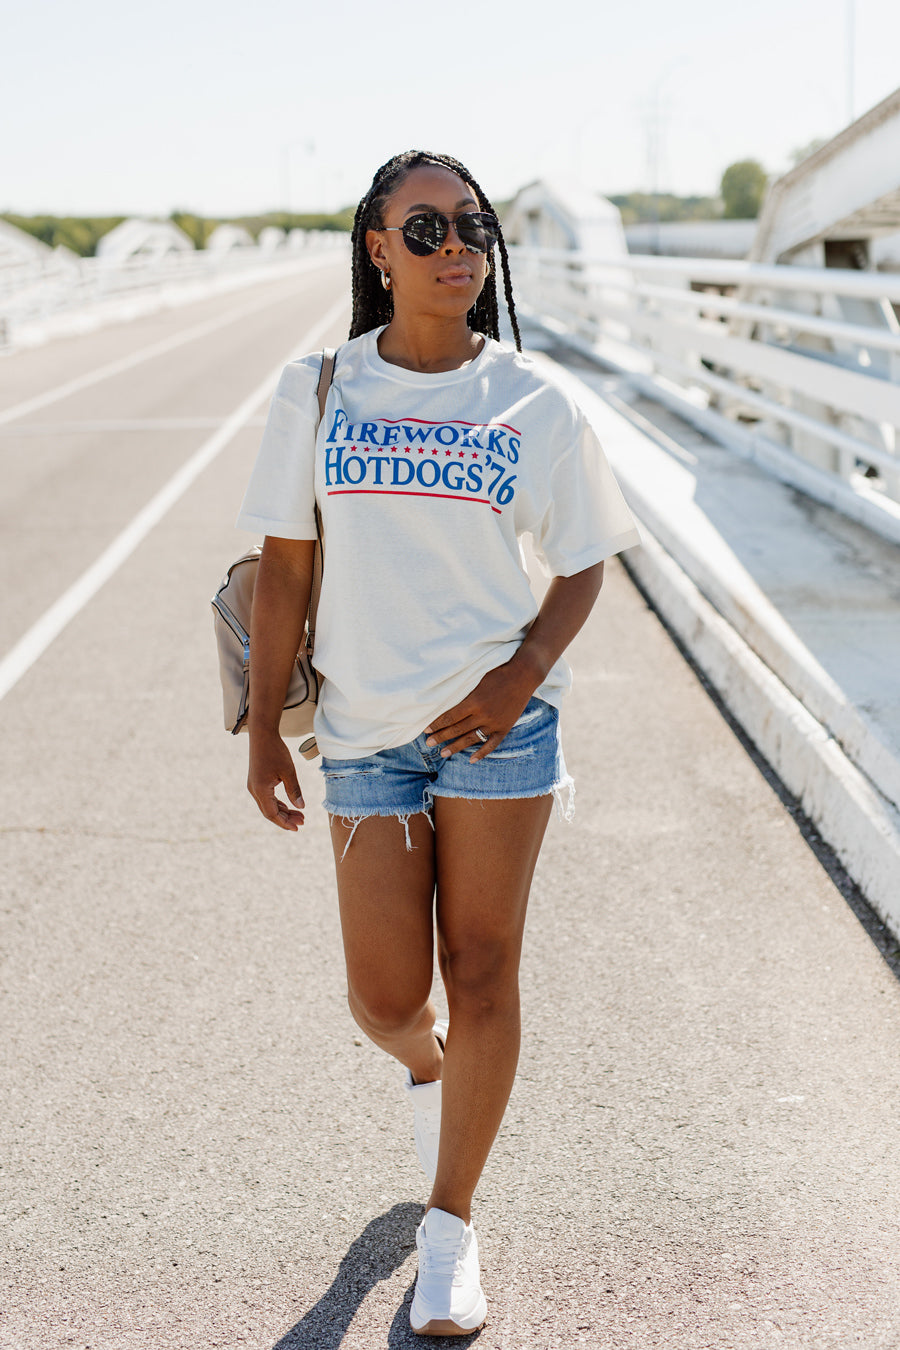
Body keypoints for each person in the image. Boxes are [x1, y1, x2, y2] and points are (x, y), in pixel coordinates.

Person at [237, 149, 640, 1337]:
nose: (455, 245)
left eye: (471, 227)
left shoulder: (534, 398)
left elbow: (584, 557)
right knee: (385, 996)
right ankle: (432, 1070)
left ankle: (450, 1229)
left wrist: (521, 677)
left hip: (496, 729)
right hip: (364, 735)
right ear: (375, 248)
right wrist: (263, 729)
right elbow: (284, 567)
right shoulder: (316, 389)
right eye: (425, 229)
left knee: (483, 968)